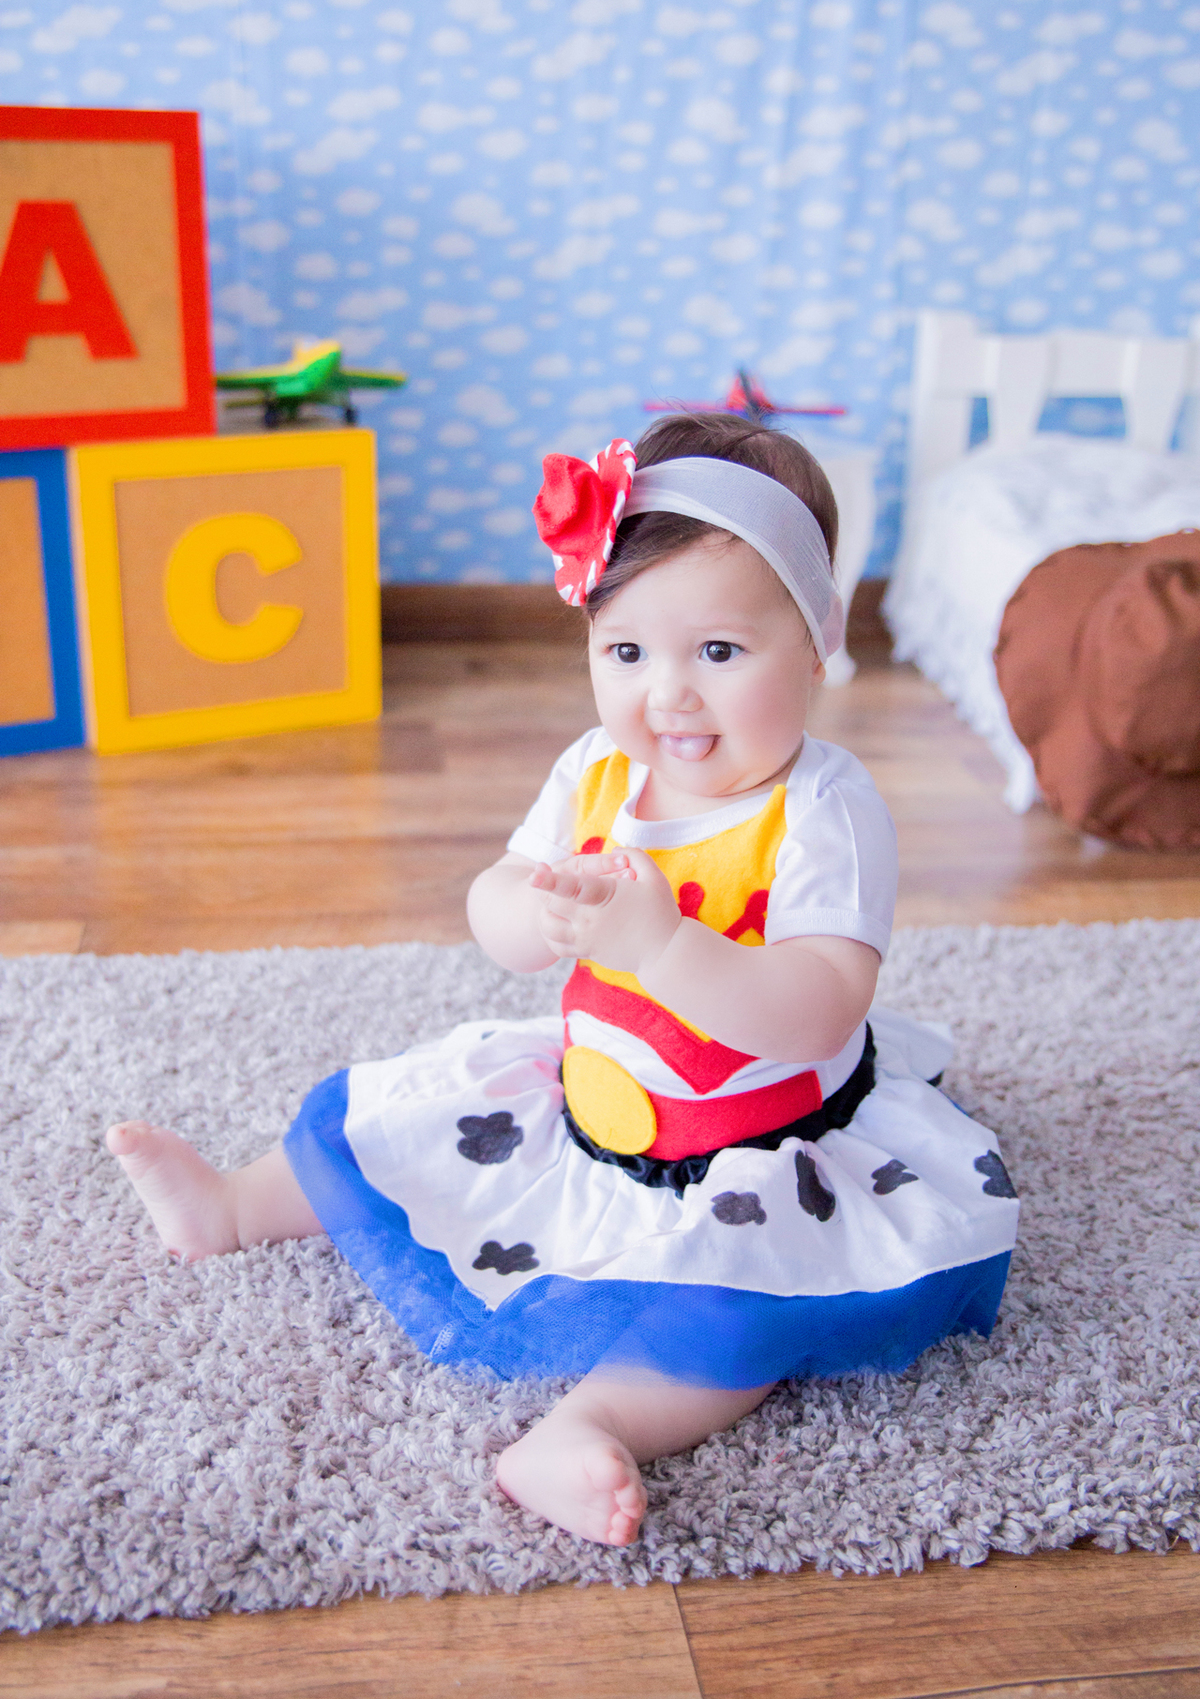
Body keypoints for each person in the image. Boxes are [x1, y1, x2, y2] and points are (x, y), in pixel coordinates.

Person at [107, 413, 1019, 1549]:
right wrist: (526, 913)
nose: (668, 695)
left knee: (739, 1310)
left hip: (759, 1144)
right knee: (406, 1120)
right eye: (626, 652)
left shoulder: (822, 810)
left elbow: (821, 1004)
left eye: (718, 653)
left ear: (817, 642)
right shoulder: (597, 770)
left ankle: (590, 1427)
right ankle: (235, 1206)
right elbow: (497, 901)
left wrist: (665, 948)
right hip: (592, 1097)